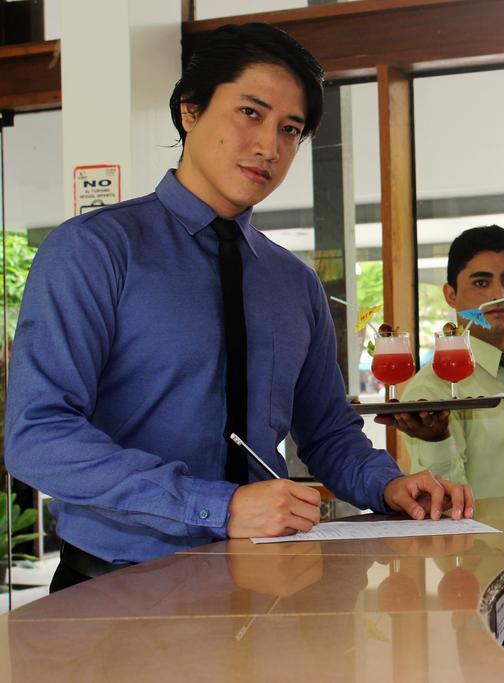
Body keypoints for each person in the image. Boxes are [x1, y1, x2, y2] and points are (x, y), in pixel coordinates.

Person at [4, 23, 472, 593]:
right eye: (250, 113)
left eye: (290, 129)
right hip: (115, 587)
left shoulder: (294, 283)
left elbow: (326, 432)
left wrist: (386, 483)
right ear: (190, 111)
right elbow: (38, 436)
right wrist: (216, 506)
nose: (269, 147)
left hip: (261, 582)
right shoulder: (95, 250)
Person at [389, 225, 504, 498]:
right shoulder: (433, 390)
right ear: (451, 294)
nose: (498, 295)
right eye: (481, 282)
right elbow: (444, 500)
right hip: (481, 540)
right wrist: (436, 439)